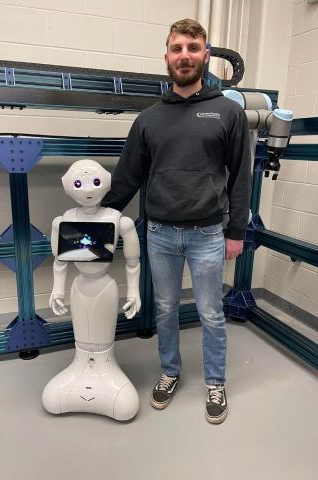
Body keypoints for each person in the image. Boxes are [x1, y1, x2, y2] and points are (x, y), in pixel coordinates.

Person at [102, 18, 251, 424]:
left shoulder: (227, 113)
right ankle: (170, 372)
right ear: (166, 57)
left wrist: (236, 231)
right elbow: (127, 176)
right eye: (177, 48)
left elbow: (241, 176)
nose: (184, 55)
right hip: (160, 234)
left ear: (205, 55)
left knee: (210, 312)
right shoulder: (149, 119)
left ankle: (215, 381)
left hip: (208, 234)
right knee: (166, 309)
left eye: (192, 47)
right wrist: (105, 219)